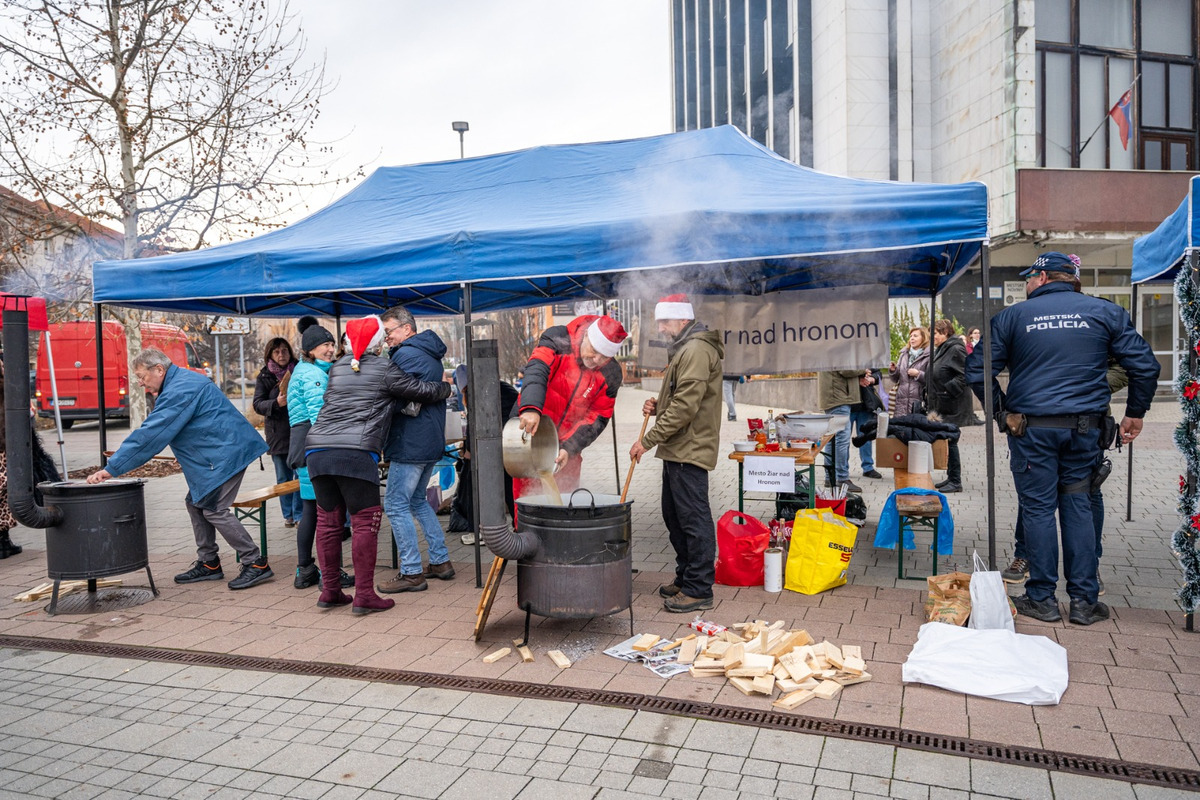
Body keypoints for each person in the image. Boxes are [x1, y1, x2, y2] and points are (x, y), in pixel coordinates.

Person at [967, 251, 1159, 626]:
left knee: (1038, 508)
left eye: (1028, 278)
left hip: (1032, 430)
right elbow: (1146, 366)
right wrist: (1135, 413)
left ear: (1040, 278)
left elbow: (977, 370)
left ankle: (1042, 597)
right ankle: (1085, 602)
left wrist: (1000, 412)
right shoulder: (1104, 312)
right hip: (1085, 429)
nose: (1025, 284)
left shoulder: (1011, 317)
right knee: (1078, 506)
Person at [87, 348, 274, 590]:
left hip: (226, 454)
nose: (141, 383)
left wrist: (113, 468)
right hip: (216, 454)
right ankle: (209, 563)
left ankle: (256, 563)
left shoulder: (180, 389)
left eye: (142, 376)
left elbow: (151, 433)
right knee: (196, 502)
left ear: (159, 370)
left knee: (214, 509)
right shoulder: (179, 383)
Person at [303, 316, 450, 615]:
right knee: (364, 524)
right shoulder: (385, 368)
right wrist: (444, 389)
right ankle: (365, 596)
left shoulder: (338, 367)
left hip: (317, 450)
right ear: (379, 343)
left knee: (329, 525)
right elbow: (418, 391)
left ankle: (330, 590)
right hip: (355, 453)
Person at [630, 294, 723, 613]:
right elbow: (680, 398)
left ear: (683, 320)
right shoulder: (686, 347)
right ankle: (686, 577)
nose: (660, 328)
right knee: (675, 515)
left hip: (690, 447)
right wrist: (659, 407)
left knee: (693, 518)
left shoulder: (696, 349)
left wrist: (647, 440)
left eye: (665, 322)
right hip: (679, 446)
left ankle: (699, 588)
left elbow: (686, 406)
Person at [376, 306, 455, 594]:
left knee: (396, 505)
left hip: (409, 440)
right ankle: (440, 561)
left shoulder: (406, 354)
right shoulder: (428, 353)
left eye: (390, 331)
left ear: (407, 329)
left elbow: (393, 391)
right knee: (418, 502)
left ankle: (411, 572)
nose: (387, 338)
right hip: (428, 439)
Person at [514, 314, 628, 498]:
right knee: (527, 501)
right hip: (530, 434)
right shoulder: (557, 339)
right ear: (586, 336)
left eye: (605, 356)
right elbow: (537, 370)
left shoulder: (610, 374)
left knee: (566, 501)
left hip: (567, 447)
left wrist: (569, 447)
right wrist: (531, 408)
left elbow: (597, 418)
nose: (597, 359)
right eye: (594, 350)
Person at [287, 319, 352, 590]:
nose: (330, 349)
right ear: (311, 349)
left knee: (311, 511)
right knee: (328, 513)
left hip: (304, 448)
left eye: (331, 344)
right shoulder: (312, 375)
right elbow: (320, 416)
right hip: (316, 447)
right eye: (325, 345)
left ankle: (306, 570)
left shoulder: (307, 370)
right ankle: (330, 572)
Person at [253, 337, 300, 527]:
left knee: (300, 477)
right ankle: (287, 515)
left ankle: (299, 514)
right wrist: (276, 403)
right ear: (270, 355)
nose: (281, 355)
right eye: (277, 352)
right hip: (278, 435)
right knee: (283, 478)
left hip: (298, 431)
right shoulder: (265, 376)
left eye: (284, 351)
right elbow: (257, 404)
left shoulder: (299, 371)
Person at [929, 319, 973, 493]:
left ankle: (955, 481)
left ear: (945, 332)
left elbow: (966, 374)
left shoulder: (956, 348)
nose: (933, 337)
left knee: (952, 440)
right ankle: (951, 477)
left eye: (935, 334)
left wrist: (947, 391)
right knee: (948, 440)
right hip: (943, 403)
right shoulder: (943, 348)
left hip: (952, 403)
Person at [818, 370, 867, 492]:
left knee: (831, 438)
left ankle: (830, 477)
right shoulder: (838, 349)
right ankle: (842, 478)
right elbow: (845, 369)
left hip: (832, 396)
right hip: (838, 397)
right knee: (841, 440)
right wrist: (862, 370)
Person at [889, 327, 930, 416]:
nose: (912, 338)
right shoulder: (903, 354)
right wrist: (893, 371)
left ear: (924, 338)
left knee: (916, 428)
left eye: (915, 336)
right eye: (911, 336)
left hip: (919, 401)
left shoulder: (929, 355)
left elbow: (932, 378)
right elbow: (896, 379)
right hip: (901, 402)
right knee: (901, 428)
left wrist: (918, 374)